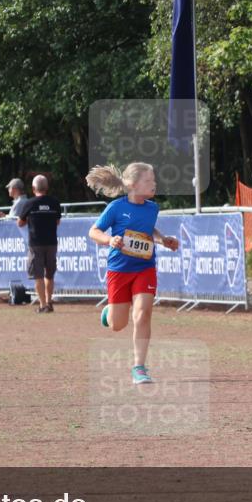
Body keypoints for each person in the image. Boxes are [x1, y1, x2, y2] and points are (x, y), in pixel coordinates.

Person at [87, 163, 179, 385]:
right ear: (132, 185)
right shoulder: (116, 207)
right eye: (148, 180)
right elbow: (94, 231)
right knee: (117, 325)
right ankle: (110, 312)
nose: (154, 184)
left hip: (145, 268)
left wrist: (163, 239)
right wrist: (110, 240)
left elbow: (149, 230)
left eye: (154, 180)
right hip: (119, 269)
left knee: (142, 314)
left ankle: (139, 367)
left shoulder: (152, 208)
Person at [17, 175, 62, 313]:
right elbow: (57, 221)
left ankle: (43, 305)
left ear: (33, 188)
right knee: (49, 274)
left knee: (38, 275)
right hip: (51, 243)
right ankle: (49, 302)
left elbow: (20, 222)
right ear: (47, 188)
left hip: (36, 243)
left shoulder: (29, 203)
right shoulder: (54, 202)